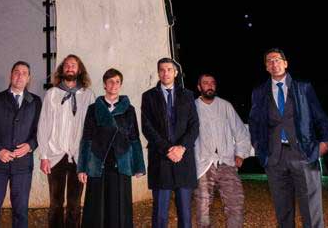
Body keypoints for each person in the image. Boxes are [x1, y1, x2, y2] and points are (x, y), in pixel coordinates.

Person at [248, 48, 328, 228]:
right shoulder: (259, 92)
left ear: (285, 63)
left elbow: (320, 116)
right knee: (283, 210)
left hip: (303, 154)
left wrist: (325, 143)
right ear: (266, 67)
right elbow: (254, 124)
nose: (274, 63)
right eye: (270, 61)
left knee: (311, 210)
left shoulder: (303, 87)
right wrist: (259, 149)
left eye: (277, 59)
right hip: (274, 158)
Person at [77, 68, 145, 228]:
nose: (114, 85)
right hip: (98, 163)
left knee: (120, 207)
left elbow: (134, 138)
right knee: (96, 208)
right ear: (104, 85)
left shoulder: (129, 110)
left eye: (117, 82)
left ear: (120, 85)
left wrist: (138, 166)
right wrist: (82, 168)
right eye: (110, 82)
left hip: (121, 163)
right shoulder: (94, 109)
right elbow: (86, 139)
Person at [0, 61, 42, 228]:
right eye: (16, 72)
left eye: (24, 73)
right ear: (11, 75)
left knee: (20, 212)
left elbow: (40, 131)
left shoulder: (35, 102)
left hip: (22, 166)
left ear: (29, 78)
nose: (20, 75)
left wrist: (30, 145)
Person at [37, 54, 95, 228]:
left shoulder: (87, 95)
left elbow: (92, 129)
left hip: (79, 156)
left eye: (74, 65)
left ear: (79, 70)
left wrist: (88, 158)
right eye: (67, 65)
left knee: (75, 204)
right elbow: (43, 125)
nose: (70, 68)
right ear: (62, 70)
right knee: (55, 203)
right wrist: (44, 156)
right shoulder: (52, 94)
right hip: (56, 155)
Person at [141, 57, 199, 228]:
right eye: (162, 70)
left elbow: (194, 126)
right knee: (160, 215)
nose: (165, 73)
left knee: (186, 214)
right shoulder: (149, 96)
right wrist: (167, 150)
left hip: (184, 160)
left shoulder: (188, 95)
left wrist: (181, 147)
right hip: (161, 160)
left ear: (175, 73)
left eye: (169, 69)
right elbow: (147, 127)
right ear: (158, 73)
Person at [192, 74, 252, 228]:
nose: (209, 86)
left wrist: (240, 153)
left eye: (212, 83)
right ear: (199, 87)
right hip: (203, 164)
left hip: (226, 162)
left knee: (235, 202)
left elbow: (240, 131)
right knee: (202, 207)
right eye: (205, 83)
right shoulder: (192, 107)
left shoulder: (225, 106)